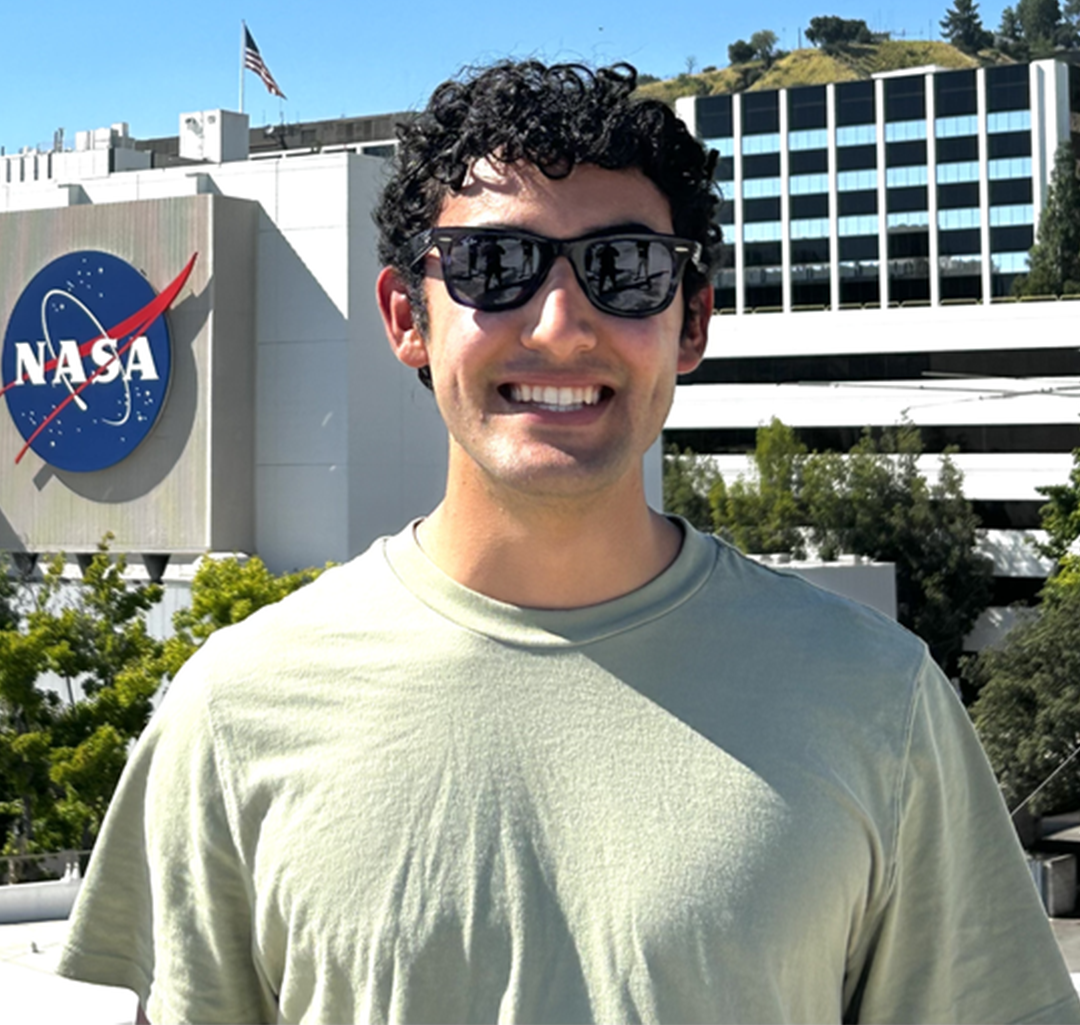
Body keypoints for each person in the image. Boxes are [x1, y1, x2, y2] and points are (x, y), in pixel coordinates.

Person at [58, 61, 1080, 1025]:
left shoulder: (877, 700)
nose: (559, 323)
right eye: (494, 265)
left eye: (625, 270)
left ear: (692, 322)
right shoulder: (235, 707)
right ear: (407, 316)